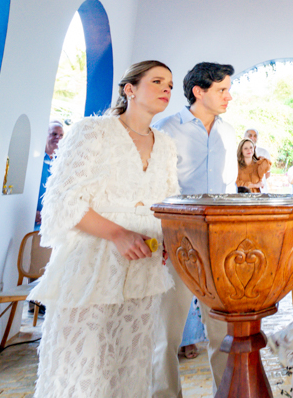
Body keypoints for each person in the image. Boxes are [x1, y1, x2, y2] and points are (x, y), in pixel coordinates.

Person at [30, 61, 180, 398]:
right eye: (157, 81)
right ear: (130, 89)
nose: (166, 89)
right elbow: (63, 200)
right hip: (92, 263)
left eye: (170, 84)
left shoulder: (167, 144)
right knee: (82, 362)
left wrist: (170, 238)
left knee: (129, 363)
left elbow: (168, 202)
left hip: (144, 266)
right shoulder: (92, 131)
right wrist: (117, 233)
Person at [153, 62, 237, 397]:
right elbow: (155, 186)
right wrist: (160, 235)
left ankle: (228, 392)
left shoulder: (227, 132)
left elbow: (228, 184)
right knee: (166, 334)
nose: (229, 96)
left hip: (217, 242)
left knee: (222, 333)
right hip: (177, 239)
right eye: (222, 90)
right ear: (199, 91)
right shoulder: (166, 128)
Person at [35, 121, 64, 228]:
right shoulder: (34, 159)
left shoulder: (63, 162)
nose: (58, 138)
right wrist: (33, 212)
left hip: (52, 221)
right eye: (54, 134)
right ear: (45, 135)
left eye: (61, 135)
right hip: (30, 218)